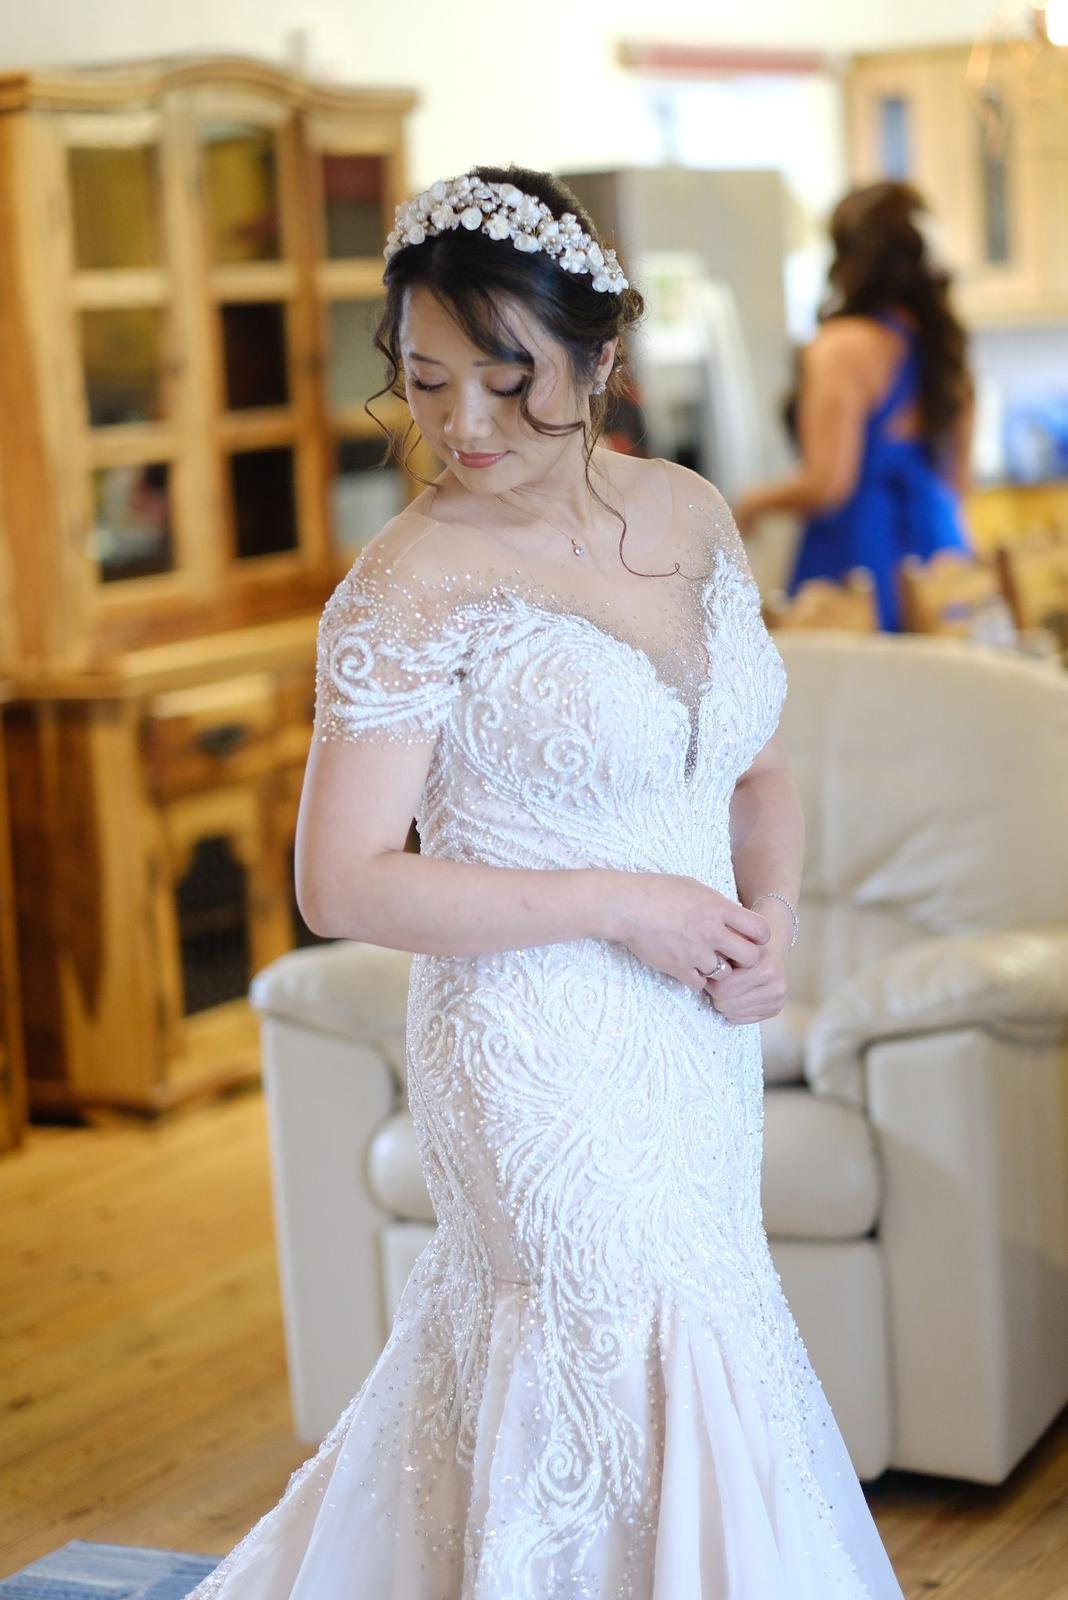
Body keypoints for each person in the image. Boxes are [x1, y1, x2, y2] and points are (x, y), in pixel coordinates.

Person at [182, 166, 904, 1599]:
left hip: (693, 1041)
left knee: (699, 1323)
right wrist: (626, 903)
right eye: (428, 380)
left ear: (600, 359)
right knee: (597, 1337)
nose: (463, 426)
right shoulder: (408, 582)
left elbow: (753, 774)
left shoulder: (692, 514)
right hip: (533, 1042)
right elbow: (341, 881)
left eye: (510, 380)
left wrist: (771, 922)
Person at [734, 180, 975, 630]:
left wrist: (753, 502)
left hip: (862, 563)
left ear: (849, 259)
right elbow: (958, 483)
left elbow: (829, 484)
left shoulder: (841, 348)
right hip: (943, 557)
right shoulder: (944, 349)